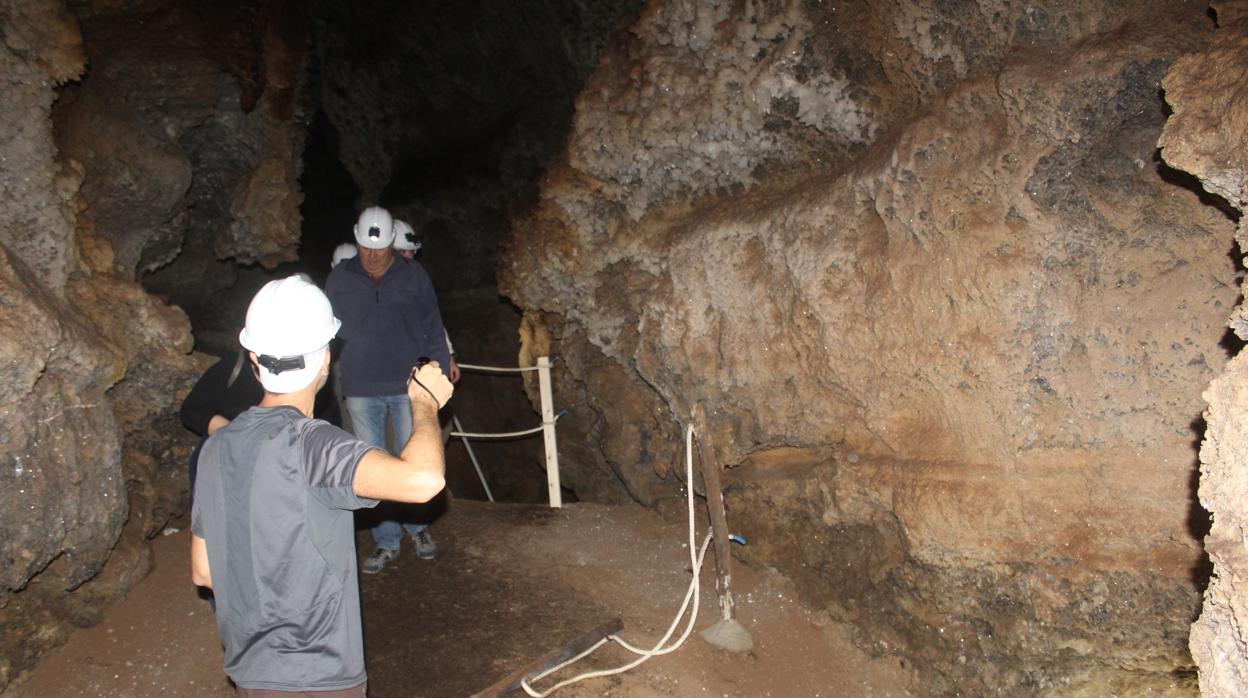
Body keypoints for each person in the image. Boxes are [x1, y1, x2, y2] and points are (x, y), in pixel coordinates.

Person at [190, 275, 452, 696]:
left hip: (251, 676)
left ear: (254, 359)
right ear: (326, 358)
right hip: (320, 677)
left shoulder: (215, 448)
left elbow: (204, 572)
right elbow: (423, 481)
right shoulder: (315, 444)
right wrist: (423, 402)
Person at [326, 206, 452, 572]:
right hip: (361, 387)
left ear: (393, 245)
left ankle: (418, 527)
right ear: (356, 238)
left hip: (405, 385)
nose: (372, 256)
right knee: (375, 465)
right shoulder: (339, 280)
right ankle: (386, 541)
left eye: (379, 250)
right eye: (366, 247)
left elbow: (433, 326)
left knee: (410, 457)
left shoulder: (414, 277)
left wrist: (438, 374)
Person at [179, 345, 263, 501]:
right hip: (222, 462)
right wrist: (234, 434)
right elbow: (192, 410)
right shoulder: (236, 365)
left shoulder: (311, 384)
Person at [393, 219, 460, 384]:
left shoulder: (418, 282)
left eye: (412, 252)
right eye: (402, 251)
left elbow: (433, 322)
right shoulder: (371, 286)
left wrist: (448, 357)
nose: (409, 257)